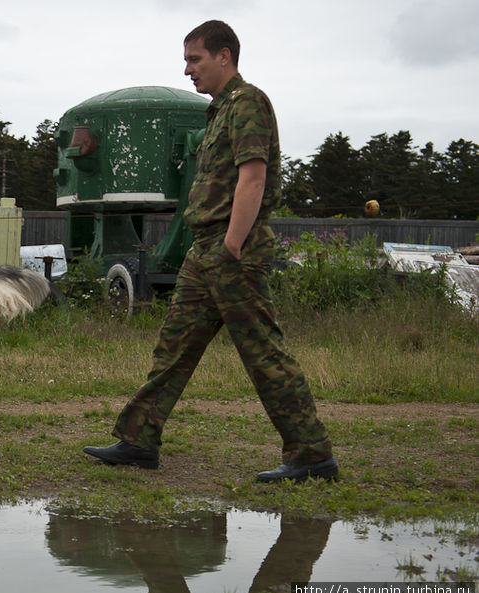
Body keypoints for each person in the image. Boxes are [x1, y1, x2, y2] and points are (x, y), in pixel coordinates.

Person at [83, 20, 338, 483]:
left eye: (194, 59)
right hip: (206, 250)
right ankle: (139, 441)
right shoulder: (218, 111)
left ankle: (311, 454)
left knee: (263, 352)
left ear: (224, 56)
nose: (187, 70)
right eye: (186, 60)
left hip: (230, 248)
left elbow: (253, 177)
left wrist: (232, 244)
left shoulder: (249, 103)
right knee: (173, 348)